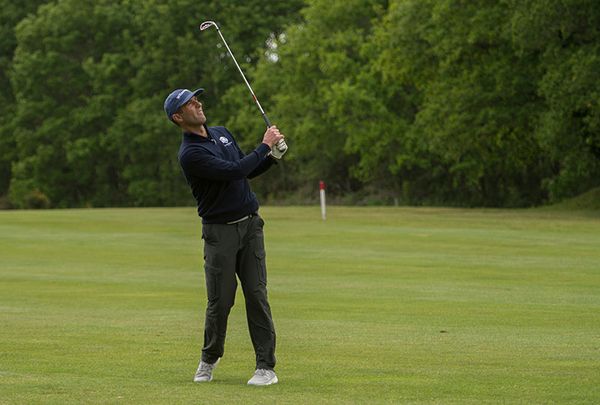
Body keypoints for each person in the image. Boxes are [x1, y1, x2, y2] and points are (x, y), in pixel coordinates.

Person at [164, 88, 287, 386]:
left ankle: (265, 367)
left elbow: (246, 170)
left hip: (250, 227)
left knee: (257, 294)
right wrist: (264, 144)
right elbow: (233, 171)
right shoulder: (191, 154)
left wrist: (272, 156)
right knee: (221, 300)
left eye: (196, 100)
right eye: (190, 104)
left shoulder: (221, 133)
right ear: (178, 117)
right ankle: (209, 357)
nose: (198, 104)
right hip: (219, 232)